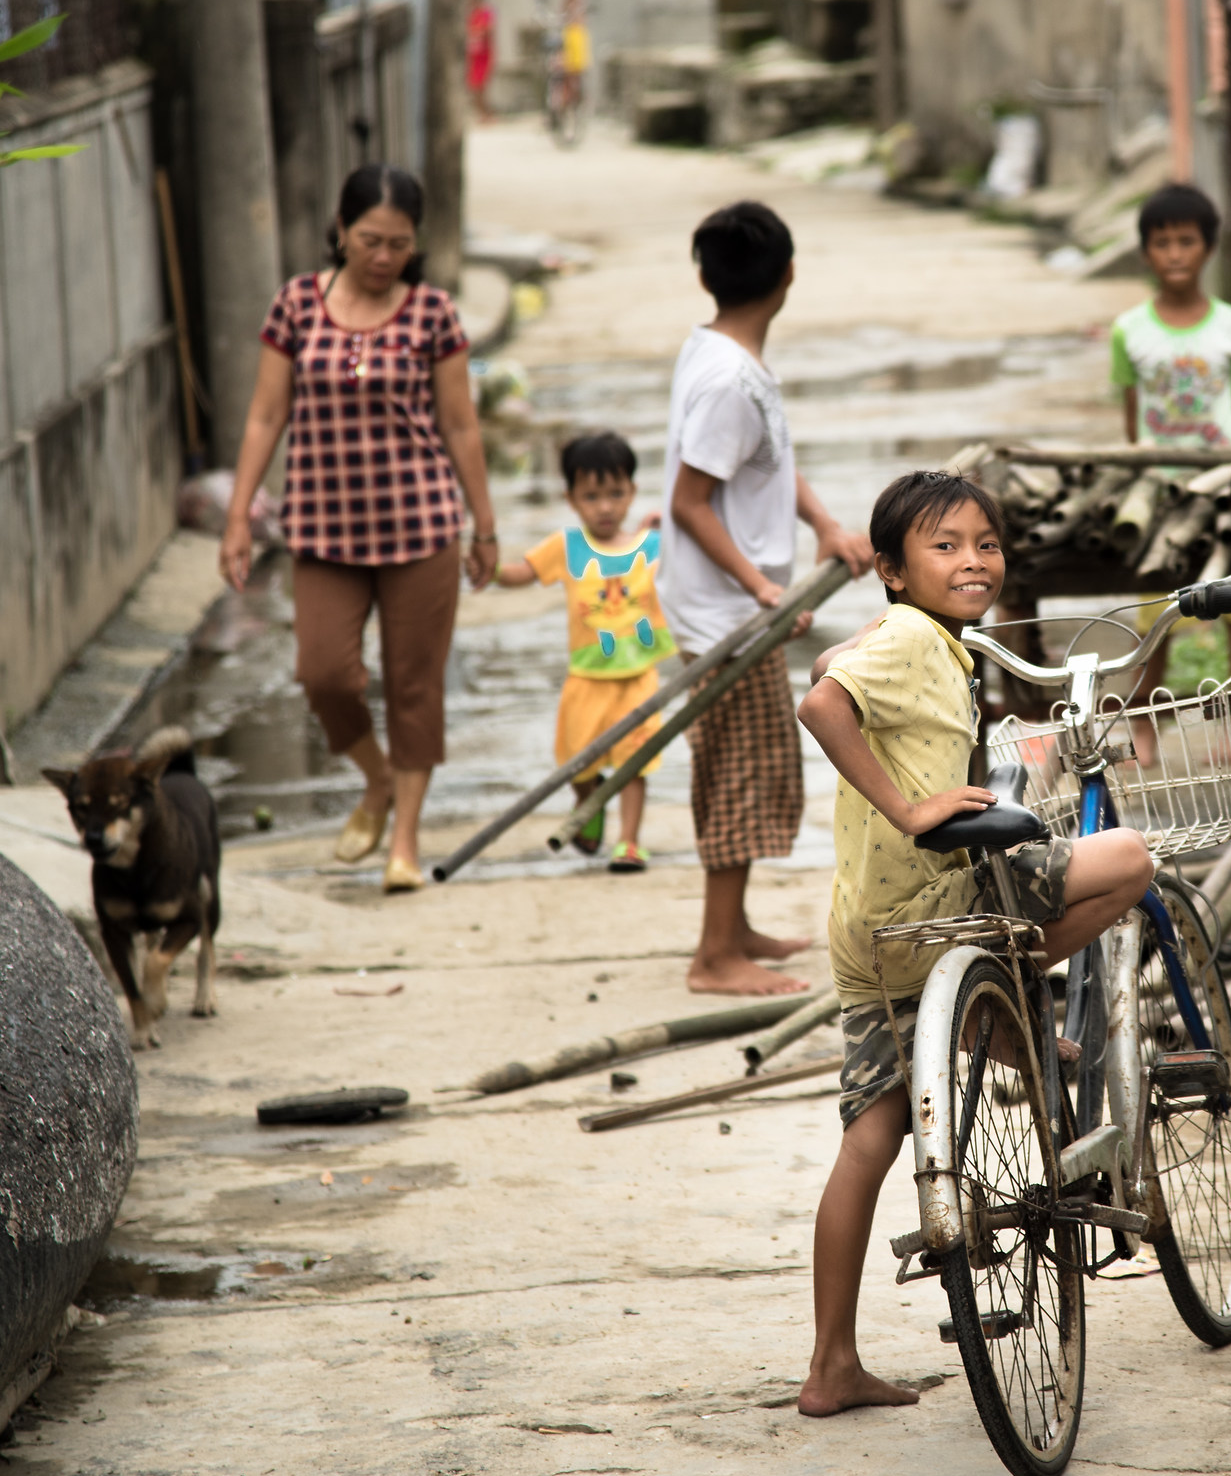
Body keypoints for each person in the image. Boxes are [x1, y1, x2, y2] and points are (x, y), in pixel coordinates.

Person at [793, 469, 1156, 1416]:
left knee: (871, 1135)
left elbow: (845, 672)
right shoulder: (915, 638)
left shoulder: (905, 634)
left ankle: (830, 1363)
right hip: (943, 892)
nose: (972, 560)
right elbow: (820, 704)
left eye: (985, 544)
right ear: (891, 570)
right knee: (1128, 858)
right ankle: (1011, 991)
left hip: (870, 929)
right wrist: (913, 806)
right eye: (944, 545)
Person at [217, 164, 499, 892]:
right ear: (339, 232)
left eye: (399, 244)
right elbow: (264, 415)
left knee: (414, 685)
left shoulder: (434, 314)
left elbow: (461, 426)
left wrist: (484, 524)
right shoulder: (295, 306)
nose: (382, 256)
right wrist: (238, 516)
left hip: (423, 526)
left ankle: (402, 842)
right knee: (324, 672)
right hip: (321, 527)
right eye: (369, 240)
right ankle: (374, 780)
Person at [660, 199, 873, 996]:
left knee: (748, 765)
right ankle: (715, 955)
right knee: (740, 773)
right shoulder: (727, 381)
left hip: (733, 605)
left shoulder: (722, 355)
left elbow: (766, 464)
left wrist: (821, 522)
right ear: (787, 276)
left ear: (705, 278)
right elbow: (690, 501)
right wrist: (761, 591)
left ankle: (734, 926)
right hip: (726, 615)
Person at [1111, 180, 1231, 686]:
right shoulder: (1128, 330)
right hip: (1161, 487)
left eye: (1186, 241)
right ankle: (1140, 724)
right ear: (1145, 253)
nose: (1175, 254)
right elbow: (1132, 417)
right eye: (1162, 243)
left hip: (1226, 481)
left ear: (1208, 247)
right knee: (1154, 611)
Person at [495, 429, 673, 871]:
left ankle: (629, 841)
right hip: (586, 680)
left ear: (632, 492)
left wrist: (664, 524)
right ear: (571, 498)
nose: (606, 506)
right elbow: (521, 574)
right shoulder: (567, 546)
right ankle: (588, 804)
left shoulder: (652, 547)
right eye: (592, 496)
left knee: (635, 762)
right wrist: (486, 566)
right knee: (581, 765)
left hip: (638, 680)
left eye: (616, 493)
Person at [547, 0, 590, 145]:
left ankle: (574, 103)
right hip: (569, 38)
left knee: (574, 75)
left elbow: (577, 18)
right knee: (565, 72)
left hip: (575, 39)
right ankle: (564, 105)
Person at [465, 0, 495, 125]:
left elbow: (488, 31)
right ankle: (483, 114)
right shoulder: (470, 13)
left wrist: (477, 31)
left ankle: (486, 115)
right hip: (473, 55)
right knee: (474, 87)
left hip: (483, 55)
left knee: (481, 87)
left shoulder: (485, 12)